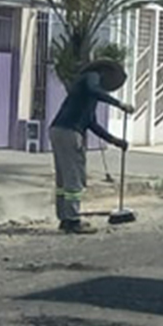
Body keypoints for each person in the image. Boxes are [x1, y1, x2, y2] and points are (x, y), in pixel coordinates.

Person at [50, 58, 129, 233]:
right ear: (106, 72)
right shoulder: (92, 77)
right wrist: (119, 104)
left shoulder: (85, 93)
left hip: (58, 130)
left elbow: (92, 123)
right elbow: (95, 90)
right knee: (74, 178)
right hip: (70, 133)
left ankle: (64, 217)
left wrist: (114, 141)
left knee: (64, 179)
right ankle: (72, 220)